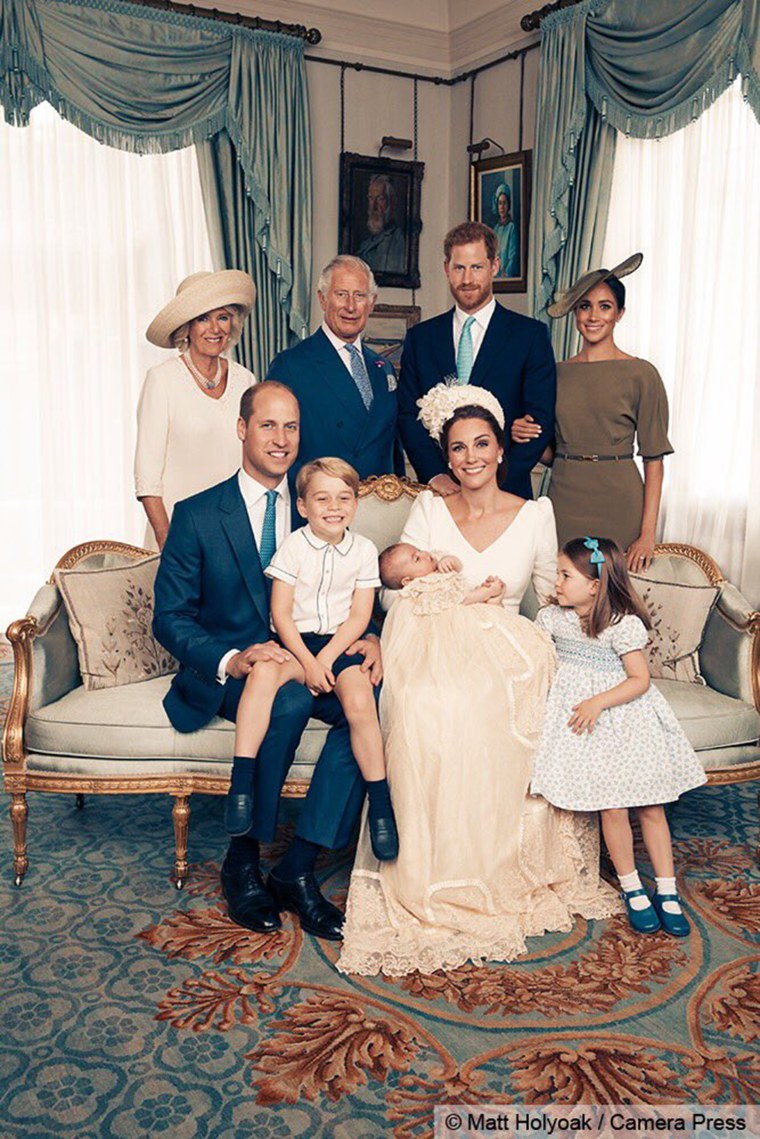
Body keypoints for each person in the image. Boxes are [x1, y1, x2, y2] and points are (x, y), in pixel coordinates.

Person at [338, 383, 619, 977]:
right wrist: (386, 625)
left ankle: (494, 864)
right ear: (447, 457)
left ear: (499, 451)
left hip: (508, 648)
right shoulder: (429, 509)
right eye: (458, 447)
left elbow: (551, 597)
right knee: (426, 701)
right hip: (433, 637)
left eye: (481, 444)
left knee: (489, 699)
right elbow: (394, 582)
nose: (470, 457)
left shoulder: (535, 514)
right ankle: (429, 867)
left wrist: (589, 650)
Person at [153, 381, 382, 943]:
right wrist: (231, 660)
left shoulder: (320, 508)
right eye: (268, 425)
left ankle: (297, 867)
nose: (281, 439)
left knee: (374, 702)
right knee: (287, 699)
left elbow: (347, 590)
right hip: (241, 676)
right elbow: (170, 616)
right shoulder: (199, 514)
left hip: (312, 657)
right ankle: (242, 858)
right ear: (241, 429)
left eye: (292, 427)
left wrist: (373, 636)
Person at [531, 537, 707, 936]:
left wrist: (596, 702)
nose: (556, 582)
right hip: (586, 729)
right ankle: (631, 888)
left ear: (595, 584)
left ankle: (666, 889)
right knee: (612, 808)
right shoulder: (552, 619)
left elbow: (639, 680)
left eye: (565, 575)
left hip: (625, 721)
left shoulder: (622, 625)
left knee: (650, 806)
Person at [229, 457, 399, 862]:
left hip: (339, 644)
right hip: (295, 643)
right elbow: (281, 615)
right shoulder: (293, 547)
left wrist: (326, 658)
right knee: (264, 672)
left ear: (356, 503)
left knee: (360, 698)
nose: (334, 507)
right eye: (322, 498)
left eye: (343, 497)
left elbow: (360, 616)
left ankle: (380, 804)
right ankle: (241, 781)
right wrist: (307, 661)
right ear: (303, 506)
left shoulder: (363, 550)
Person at [510, 254, 673, 571]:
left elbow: (654, 460)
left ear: (620, 314)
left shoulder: (642, 374)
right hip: (565, 497)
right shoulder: (554, 373)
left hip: (619, 500)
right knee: (563, 591)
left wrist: (647, 534)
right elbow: (552, 452)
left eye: (605, 306)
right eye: (584, 306)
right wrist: (524, 436)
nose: (593, 315)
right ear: (574, 313)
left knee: (613, 595)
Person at [398, 220, 556, 502]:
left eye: (477, 267)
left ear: (495, 266)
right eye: (459, 268)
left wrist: (496, 481)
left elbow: (539, 420)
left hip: (508, 493)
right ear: (447, 268)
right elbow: (408, 416)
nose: (467, 279)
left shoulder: (529, 336)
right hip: (440, 495)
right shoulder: (420, 339)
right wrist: (436, 475)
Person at [136, 270, 257, 551]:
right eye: (203, 318)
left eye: (223, 317)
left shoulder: (247, 380)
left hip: (233, 534)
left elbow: (252, 465)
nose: (214, 329)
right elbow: (147, 478)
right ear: (186, 327)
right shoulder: (161, 380)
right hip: (176, 535)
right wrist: (168, 541)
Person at [266, 255, 402, 483]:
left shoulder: (383, 368)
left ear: (372, 302)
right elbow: (273, 450)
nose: (350, 306)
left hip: (381, 509)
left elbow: (392, 451)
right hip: (321, 506)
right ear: (322, 299)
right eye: (341, 294)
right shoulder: (291, 366)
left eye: (359, 295)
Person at [356, 174, 406, 276]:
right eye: (371, 198)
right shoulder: (366, 244)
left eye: (380, 199)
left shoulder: (398, 242)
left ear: (392, 203)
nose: (373, 206)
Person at [493, 182, 519, 278]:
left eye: (504, 203)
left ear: (508, 205)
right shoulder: (495, 229)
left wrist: (506, 273)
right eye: (500, 203)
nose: (502, 207)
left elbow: (513, 255)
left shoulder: (511, 227)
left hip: (506, 275)